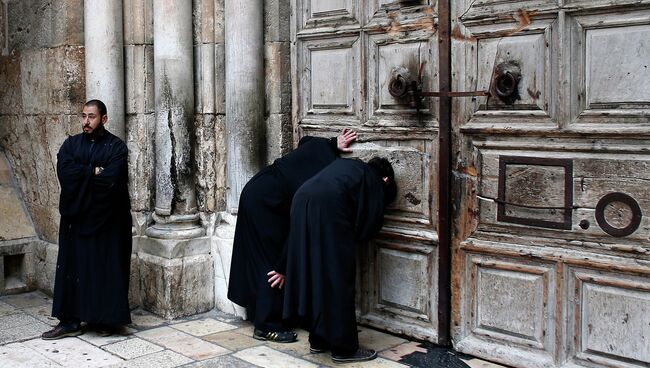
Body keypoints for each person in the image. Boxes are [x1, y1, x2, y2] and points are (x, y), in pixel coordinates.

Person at [228, 129, 358, 343]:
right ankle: (266, 326)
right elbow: (297, 230)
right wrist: (282, 267)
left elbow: (306, 140)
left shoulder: (318, 148)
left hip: (257, 190)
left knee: (263, 258)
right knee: (270, 265)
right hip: (267, 203)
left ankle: (269, 314)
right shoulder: (321, 177)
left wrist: (334, 142)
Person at [282, 157, 397, 363]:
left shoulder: (348, 166)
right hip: (328, 211)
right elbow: (369, 224)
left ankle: (318, 339)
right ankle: (344, 349)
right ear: (386, 179)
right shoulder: (374, 180)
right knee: (338, 279)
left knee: (315, 274)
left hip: (301, 201)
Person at [42, 99, 132, 339]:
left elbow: (111, 182)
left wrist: (86, 175)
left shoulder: (117, 147)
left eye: (91, 117)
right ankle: (70, 321)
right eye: (83, 116)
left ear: (103, 119)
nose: (85, 122)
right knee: (72, 268)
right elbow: (65, 173)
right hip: (76, 218)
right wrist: (93, 170)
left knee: (103, 267)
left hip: (106, 220)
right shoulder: (71, 144)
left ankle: (104, 320)